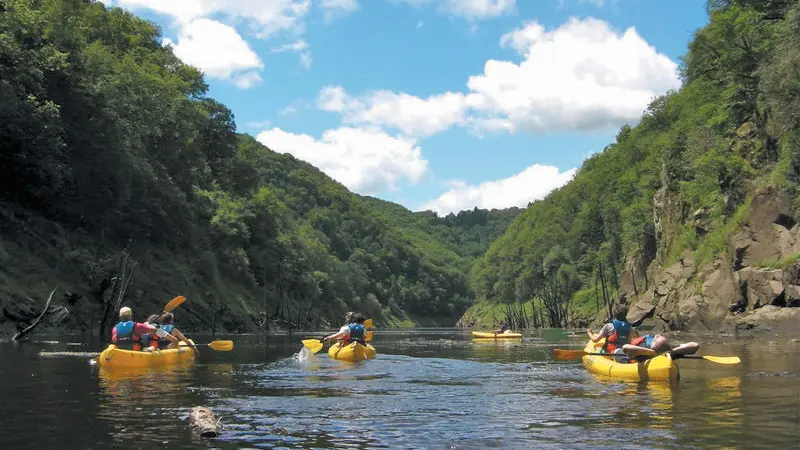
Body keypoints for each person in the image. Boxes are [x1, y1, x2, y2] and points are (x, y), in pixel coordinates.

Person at [112, 306, 177, 351]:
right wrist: (152, 326)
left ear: (120, 316)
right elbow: (154, 330)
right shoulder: (137, 325)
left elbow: (114, 340)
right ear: (131, 316)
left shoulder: (115, 328)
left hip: (120, 349)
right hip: (134, 349)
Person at [623, 333, 700, 360]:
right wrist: (651, 352)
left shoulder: (668, 352)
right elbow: (626, 347)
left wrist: (673, 351)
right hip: (644, 351)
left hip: (661, 349)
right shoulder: (641, 348)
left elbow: (695, 345)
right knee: (617, 352)